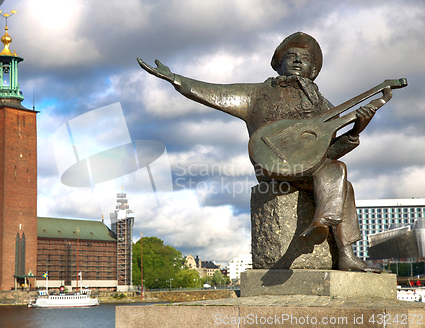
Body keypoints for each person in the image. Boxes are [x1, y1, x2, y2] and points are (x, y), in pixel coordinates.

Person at [138, 32, 381, 272]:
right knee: (339, 176)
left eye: (305, 58)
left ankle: (337, 244)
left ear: (314, 71)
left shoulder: (326, 107)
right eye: (291, 56)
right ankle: (339, 245)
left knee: (341, 178)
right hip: (271, 169)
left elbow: (327, 155)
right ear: (279, 64)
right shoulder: (256, 94)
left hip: (308, 173)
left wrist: (356, 130)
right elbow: (215, 93)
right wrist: (176, 80)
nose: (297, 60)